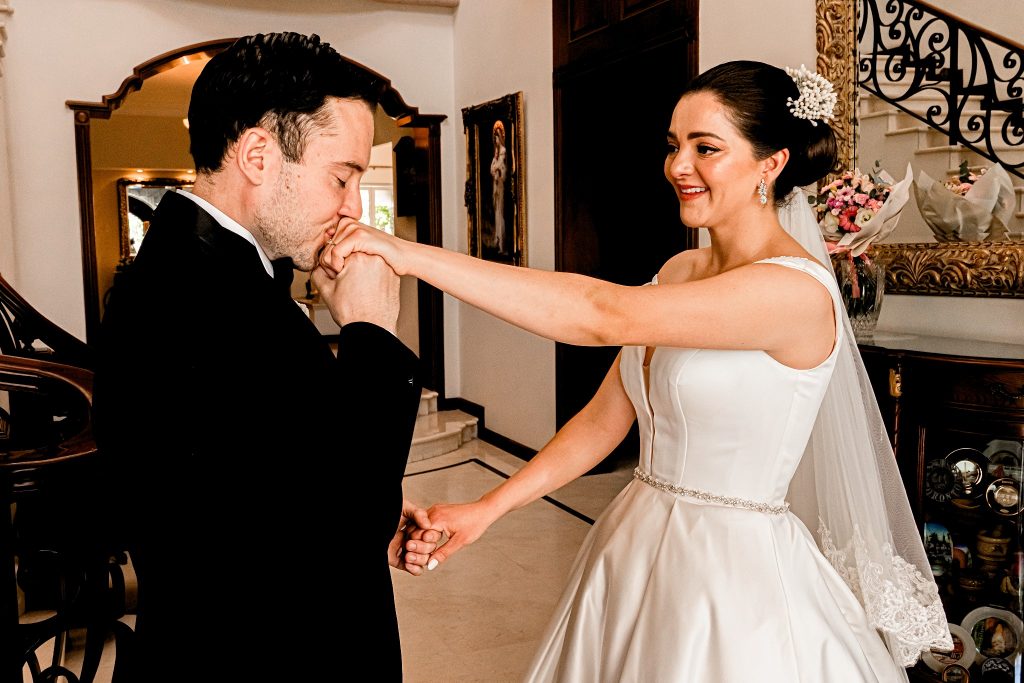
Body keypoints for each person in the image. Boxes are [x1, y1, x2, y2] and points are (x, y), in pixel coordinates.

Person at [320, 61, 952, 681]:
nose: (679, 166)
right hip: (637, 535)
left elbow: (601, 315)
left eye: (706, 148)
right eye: (674, 146)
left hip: (732, 576)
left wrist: (405, 254)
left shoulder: (795, 293)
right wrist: (487, 509)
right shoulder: (680, 271)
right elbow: (603, 420)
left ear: (772, 162)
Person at [93, 32, 438, 682]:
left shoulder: (209, 274)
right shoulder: (196, 297)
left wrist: (373, 495)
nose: (353, 206)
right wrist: (371, 333)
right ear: (257, 155)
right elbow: (339, 526)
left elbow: (271, 492)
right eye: (342, 176)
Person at [489, 120, 508, 253]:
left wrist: (497, 169)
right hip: (495, 184)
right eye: (495, 137)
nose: (496, 140)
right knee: (496, 211)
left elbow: (501, 168)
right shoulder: (496, 154)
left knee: (500, 212)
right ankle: (497, 239)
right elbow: (492, 168)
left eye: (497, 137)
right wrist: (494, 168)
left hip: (500, 184)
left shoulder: (503, 152)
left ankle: (501, 241)